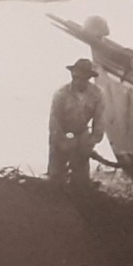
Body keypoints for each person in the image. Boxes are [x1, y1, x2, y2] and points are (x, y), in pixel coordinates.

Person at [49, 58, 105, 189]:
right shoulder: (60, 94)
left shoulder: (97, 94)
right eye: (76, 77)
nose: (78, 81)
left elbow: (99, 121)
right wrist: (63, 141)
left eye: (83, 78)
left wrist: (91, 142)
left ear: (88, 78)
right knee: (56, 176)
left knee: (81, 179)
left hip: (82, 135)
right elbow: (54, 122)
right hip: (61, 134)